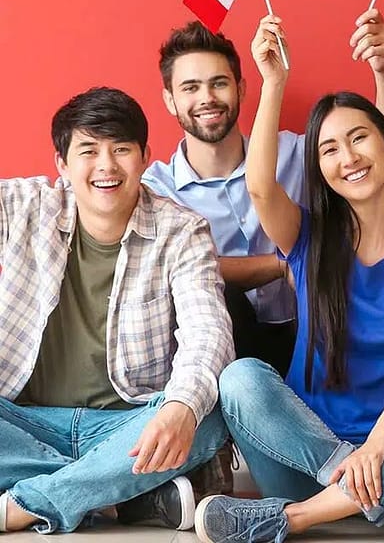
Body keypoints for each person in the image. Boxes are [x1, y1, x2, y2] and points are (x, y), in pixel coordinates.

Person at [194, 19, 384, 543]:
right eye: (329, 149)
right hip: (302, 452)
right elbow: (260, 187)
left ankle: (292, 518)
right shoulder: (310, 236)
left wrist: (383, 449)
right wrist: (273, 81)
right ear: (319, 166)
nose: (348, 157)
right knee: (239, 379)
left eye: (359, 139)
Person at [0, 87, 232, 534]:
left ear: (145, 157)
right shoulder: (27, 207)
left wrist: (180, 408)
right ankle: (119, 493)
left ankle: (28, 502)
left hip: (128, 426)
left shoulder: (182, 231)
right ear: (62, 165)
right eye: (88, 150)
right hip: (26, 419)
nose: (106, 166)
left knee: (208, 415)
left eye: (121, 149)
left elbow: (208, 333)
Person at [144, 11, 384, 375]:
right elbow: (174, 270)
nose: (207, 98)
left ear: (241, 88)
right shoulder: (156, 189)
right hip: (223, 345)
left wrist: (382, 68)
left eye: (218, 83)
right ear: (169, 100)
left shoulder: (296, 153)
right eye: (191, 87)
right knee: (220, 295)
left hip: (317, 327)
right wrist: (284, 264)